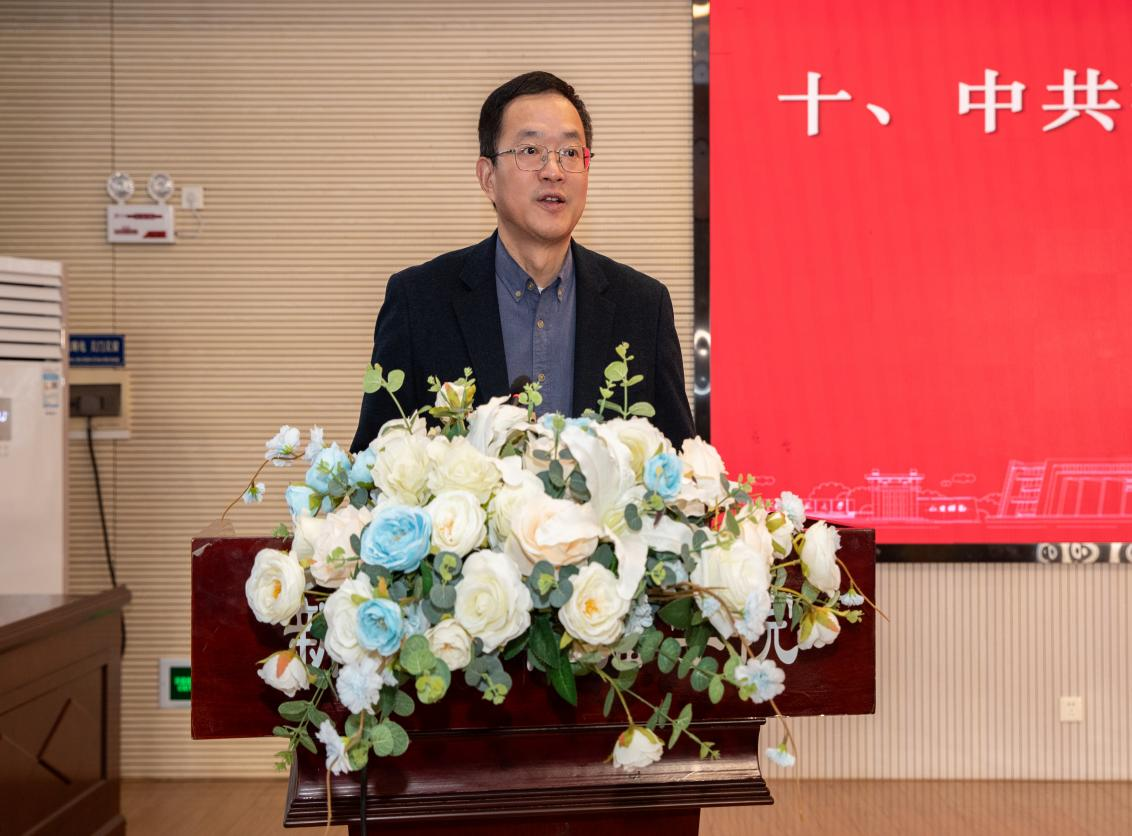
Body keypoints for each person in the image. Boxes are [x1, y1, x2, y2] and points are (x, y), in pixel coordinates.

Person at [350, 70, 695, 453]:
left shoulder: (643, 307)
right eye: (530, 151)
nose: (553, 171)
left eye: (570, 153)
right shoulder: (419, 302)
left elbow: (679, 467)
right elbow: (374, 466)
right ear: (487, 177)